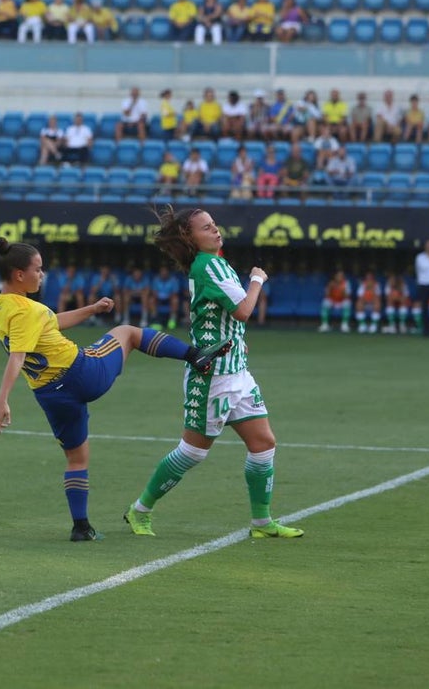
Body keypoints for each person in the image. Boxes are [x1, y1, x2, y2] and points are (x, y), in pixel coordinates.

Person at [0, 236, 236, 541]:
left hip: (51, 395)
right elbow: (18, 355)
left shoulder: (2, 308)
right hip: (81, 373)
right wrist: (2, 400)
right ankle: (195, 355)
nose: (42, 274)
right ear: (19, 274)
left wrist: (91, 309)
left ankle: (81, 527)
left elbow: (50, 323)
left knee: (76, 459)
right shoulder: (28, 310)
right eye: (38, 269)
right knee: (128, 333)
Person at [122, 208, 303, 540]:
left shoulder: (213, 263)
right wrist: (258, 280)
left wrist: (235, 342)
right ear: (191, 237)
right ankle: (140, 510)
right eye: (207, 228)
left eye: (215, 225)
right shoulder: (208, 266)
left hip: (236, 371)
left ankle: (262, 524)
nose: (216, 230)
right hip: (212, 377)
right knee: (192, 452)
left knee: (263, 443)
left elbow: (222, 317)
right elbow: (244, 310)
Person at [149, 264, 182, 330]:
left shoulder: (173, 280)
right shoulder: (156, 279)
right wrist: (159, 296)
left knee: (175, 300)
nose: (164, 273)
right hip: (158, 299)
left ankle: (172, 320)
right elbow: (154, 292)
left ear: (168, 272)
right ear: (160, 272)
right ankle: (155, 320)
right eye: (162, 271)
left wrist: (167, 296)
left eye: (165, 271)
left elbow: (175, 293)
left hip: (169, 298)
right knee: (151, 300)